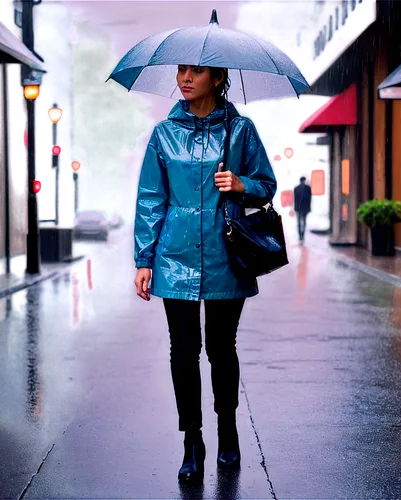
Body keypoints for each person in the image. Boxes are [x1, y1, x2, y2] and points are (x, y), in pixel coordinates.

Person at [133, 64, 277, 483]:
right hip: (173, 256)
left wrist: (241, 184)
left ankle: (227, 430)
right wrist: (144, 259)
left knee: (220, 348)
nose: (185, 78)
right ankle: (191, 440)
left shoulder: (242, 130)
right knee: (183, 351)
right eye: (181, 71)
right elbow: (150, 198)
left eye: (196, 72)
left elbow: (267, 184)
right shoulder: (163, 134)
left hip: (224, 255)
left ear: (216, 79)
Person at [293, 175, 312, 244]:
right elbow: (310, 199)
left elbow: (295, 199)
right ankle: (302, 236)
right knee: (304, 222)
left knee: (298, 223)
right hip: (305, 208)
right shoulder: (308, 188)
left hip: (298, 208)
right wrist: (309, 208)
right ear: (304, 180)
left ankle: (300, 236)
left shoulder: (296, 188)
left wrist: (295, 208)